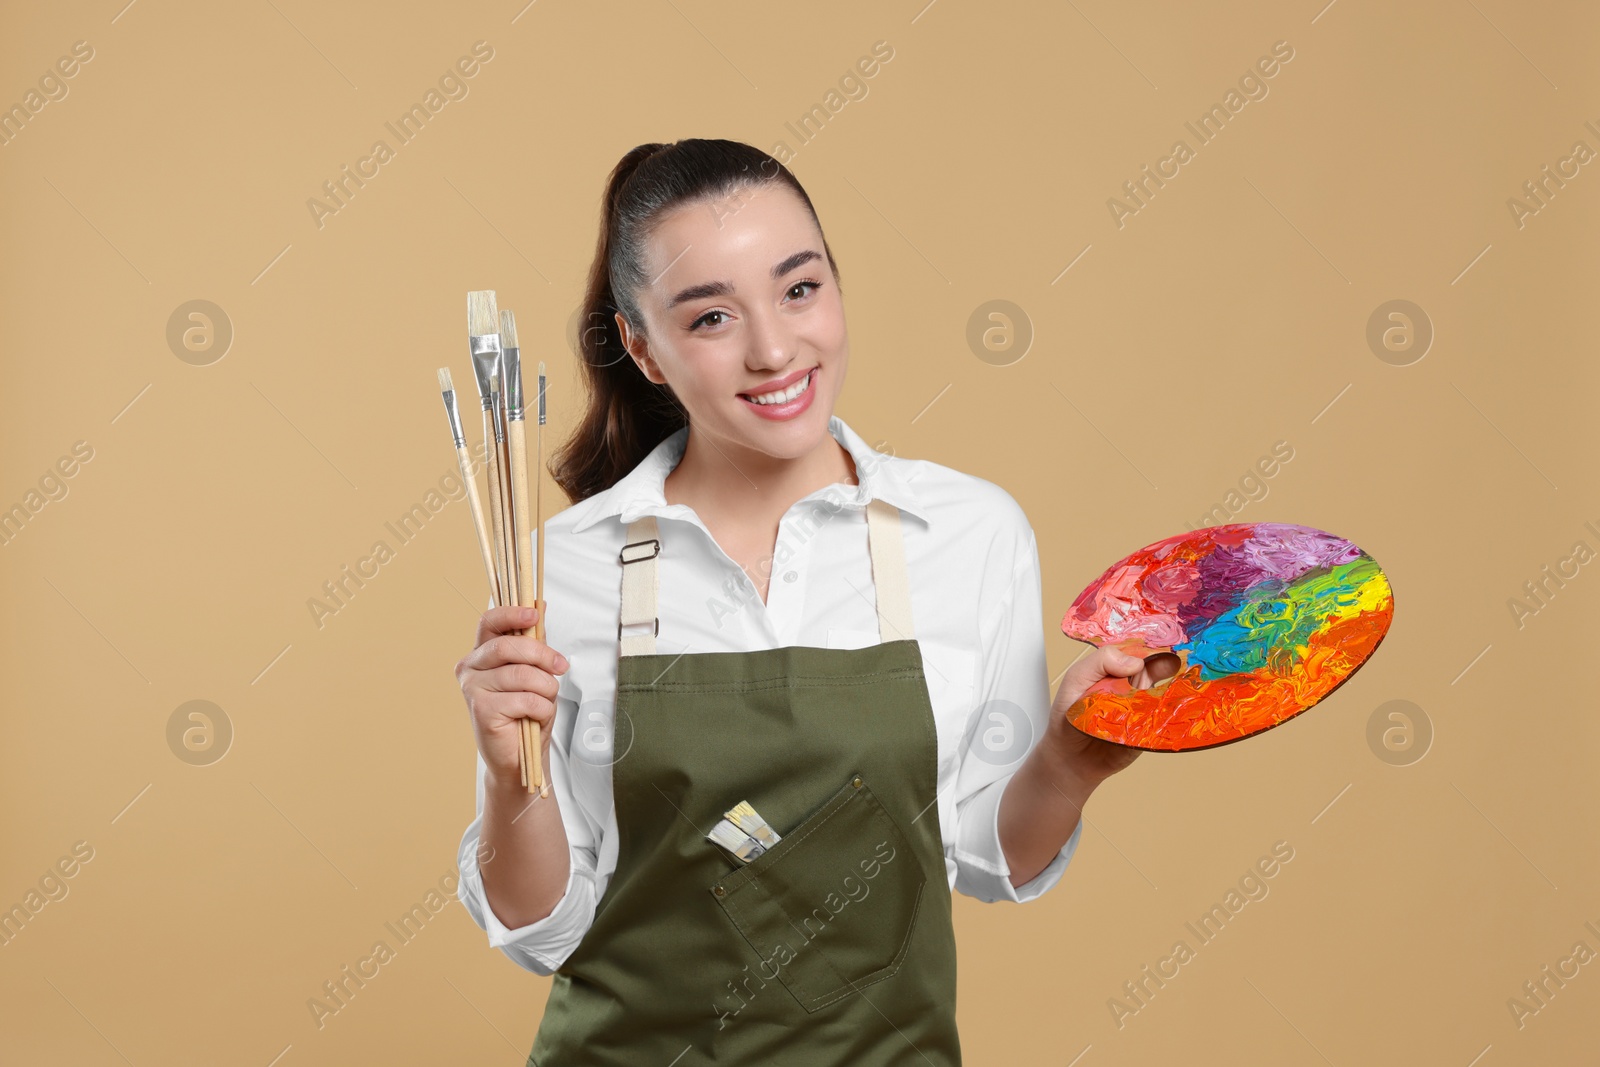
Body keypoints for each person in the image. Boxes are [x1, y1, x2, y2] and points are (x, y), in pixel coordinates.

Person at [453, 138, 1162, 1065]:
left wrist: (1070, 761)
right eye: (710, 317)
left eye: (800, 289)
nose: (776, 348)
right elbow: (541, 927)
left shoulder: (967, 533)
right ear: (644, 350)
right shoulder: (562, 569)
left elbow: (994, 862)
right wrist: (512, 778)